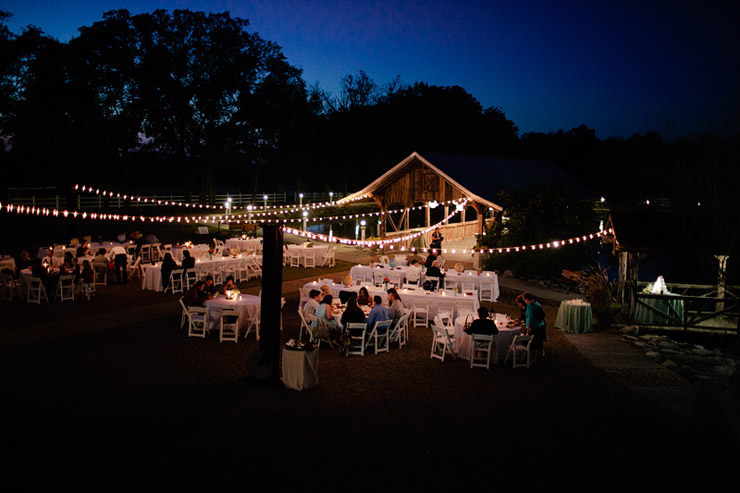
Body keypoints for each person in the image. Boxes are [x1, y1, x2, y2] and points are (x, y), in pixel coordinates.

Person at [523, 292, 547, 363]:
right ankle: (538, 356)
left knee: (532, 343)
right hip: (540, 325)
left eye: (524, 299)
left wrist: (528, 328)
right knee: (538, 341)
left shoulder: (530, 306)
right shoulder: (537, 303)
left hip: (534, 326)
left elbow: (530, 317)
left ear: (526, 299)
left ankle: (531, 359)